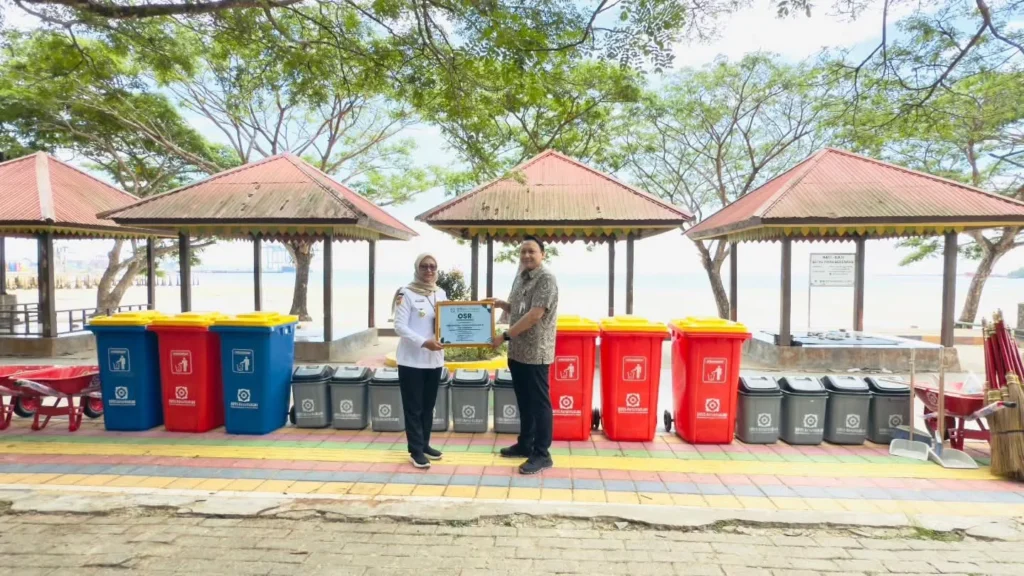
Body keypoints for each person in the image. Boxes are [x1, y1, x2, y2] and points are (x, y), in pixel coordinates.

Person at [492, 236, 559, 475]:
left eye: (531, 251)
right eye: (523, 252)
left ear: (542, 254)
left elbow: (534, 315)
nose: (527, 256)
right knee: (524, 401)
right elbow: (518, 309)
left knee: (540, 404)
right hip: (518, 351)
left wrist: (505, 336)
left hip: (536, 352)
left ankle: (542, 454)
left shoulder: (546, 279)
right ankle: (525, 444)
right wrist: (500, 304)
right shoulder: (520, 277)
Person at [392, 253, 447, 469]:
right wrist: (424, 342)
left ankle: (424, 444)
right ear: (417, 268)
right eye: (424, 266)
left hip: (434, 361)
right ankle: (415, 451)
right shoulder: (406, 294)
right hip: (412, 361)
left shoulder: (440, 293)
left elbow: (449, 322)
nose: (429, 270)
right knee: (413, 408)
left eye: (433, 266)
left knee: (428, 406)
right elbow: (400, 326)